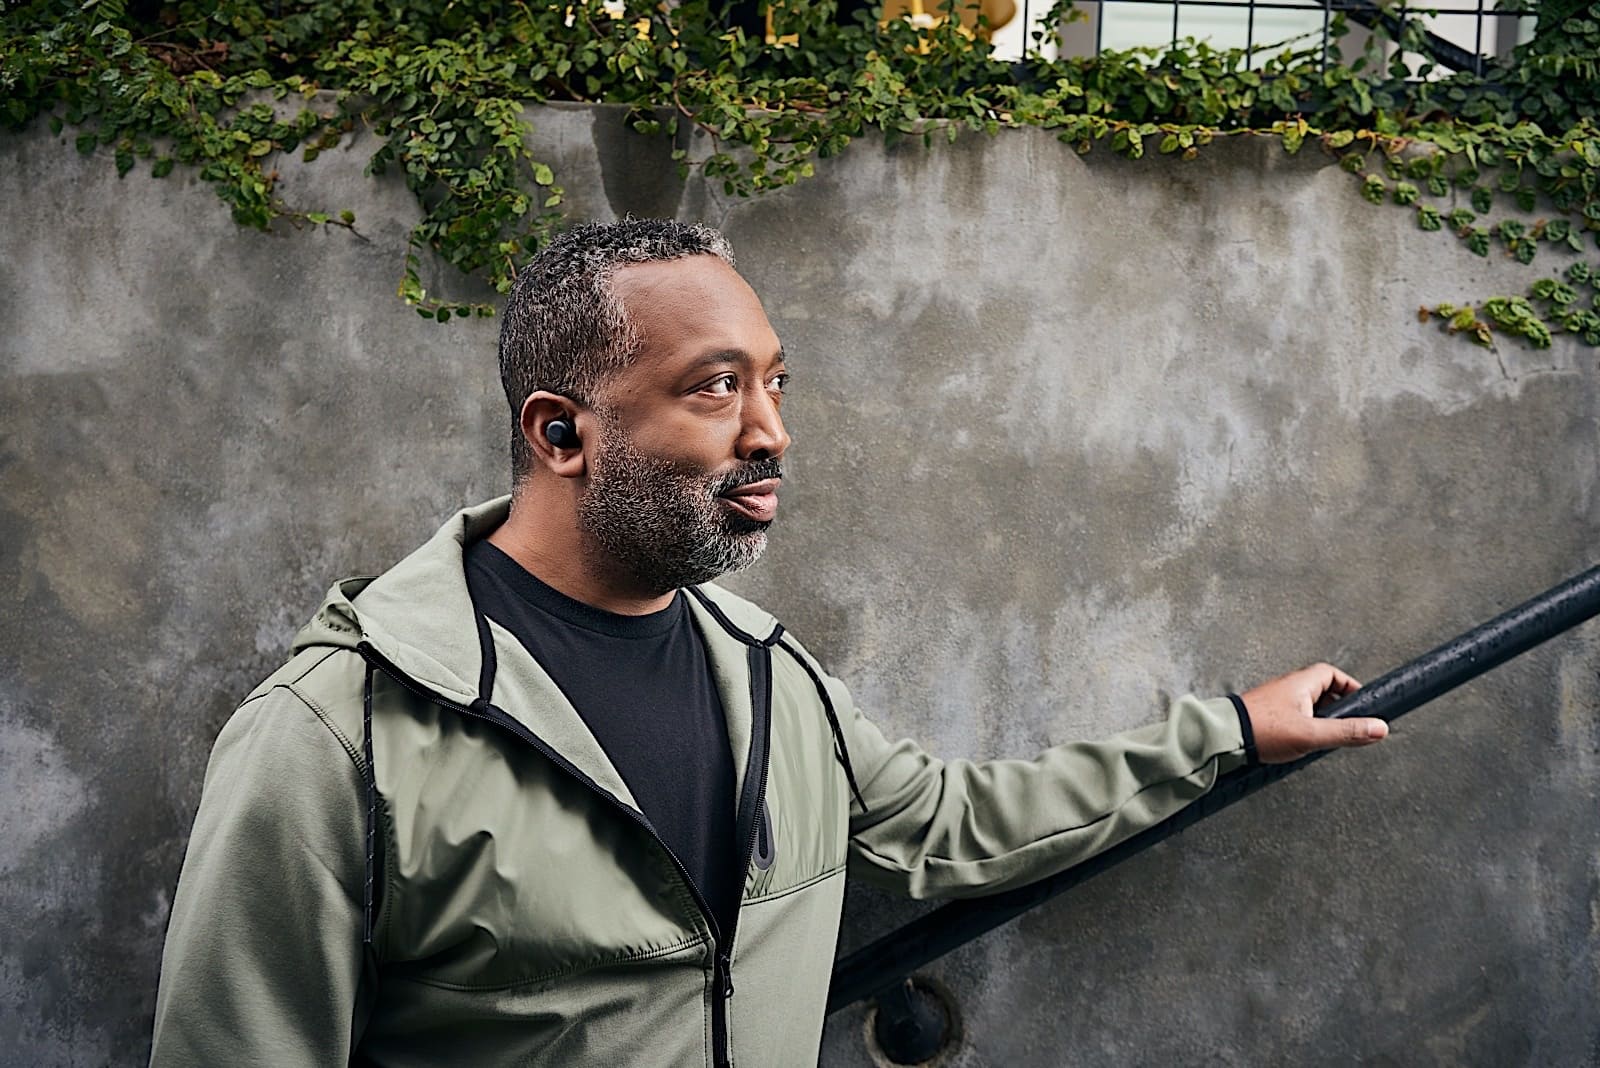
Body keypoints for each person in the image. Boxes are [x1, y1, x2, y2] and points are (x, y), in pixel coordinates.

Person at [148, 218, 1388, 1067]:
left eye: (776, 383)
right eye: (715, 386)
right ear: (562, 433)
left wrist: (1228, 732)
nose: (771, 432)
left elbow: (950, 824)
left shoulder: (767, 674)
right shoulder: (339, 735)